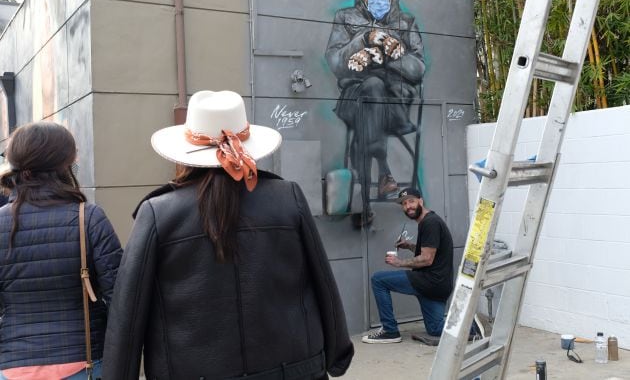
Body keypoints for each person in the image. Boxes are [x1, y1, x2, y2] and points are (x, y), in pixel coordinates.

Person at [103, 90, 354, 379]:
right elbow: (322, 280)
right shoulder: (288, 198)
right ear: (246, 146)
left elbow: (129, 313)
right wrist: (338, 352)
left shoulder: (158, 213)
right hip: (294, 370)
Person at [0, 121, 123, 379]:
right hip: (84, 361)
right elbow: (120, 298)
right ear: (64, 165)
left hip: (13, 363)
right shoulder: (88, 217)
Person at [326, 0, 425, 202]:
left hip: (396, 106)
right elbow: (336, 62)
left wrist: (390, 55)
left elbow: (418, 69)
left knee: (375, 93)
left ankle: (366, 193)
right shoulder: (345, 17)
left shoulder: (405, 22)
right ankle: (383, 171)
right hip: (354, 98)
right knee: (372, 87)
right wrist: (364, 39)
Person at [363, 187, 484, 345]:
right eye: (404, 204)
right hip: (438, 285)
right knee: (435, 329)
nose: (408, 206)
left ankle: (389, 330)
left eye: (411, 201)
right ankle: (470, 326)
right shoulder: (428, 221)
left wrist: (399, 263)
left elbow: (427, 259)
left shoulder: (430, 223)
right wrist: (410, 246)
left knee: (378, 280)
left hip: (429, 281)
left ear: (421, 201)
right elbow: (432, 251)